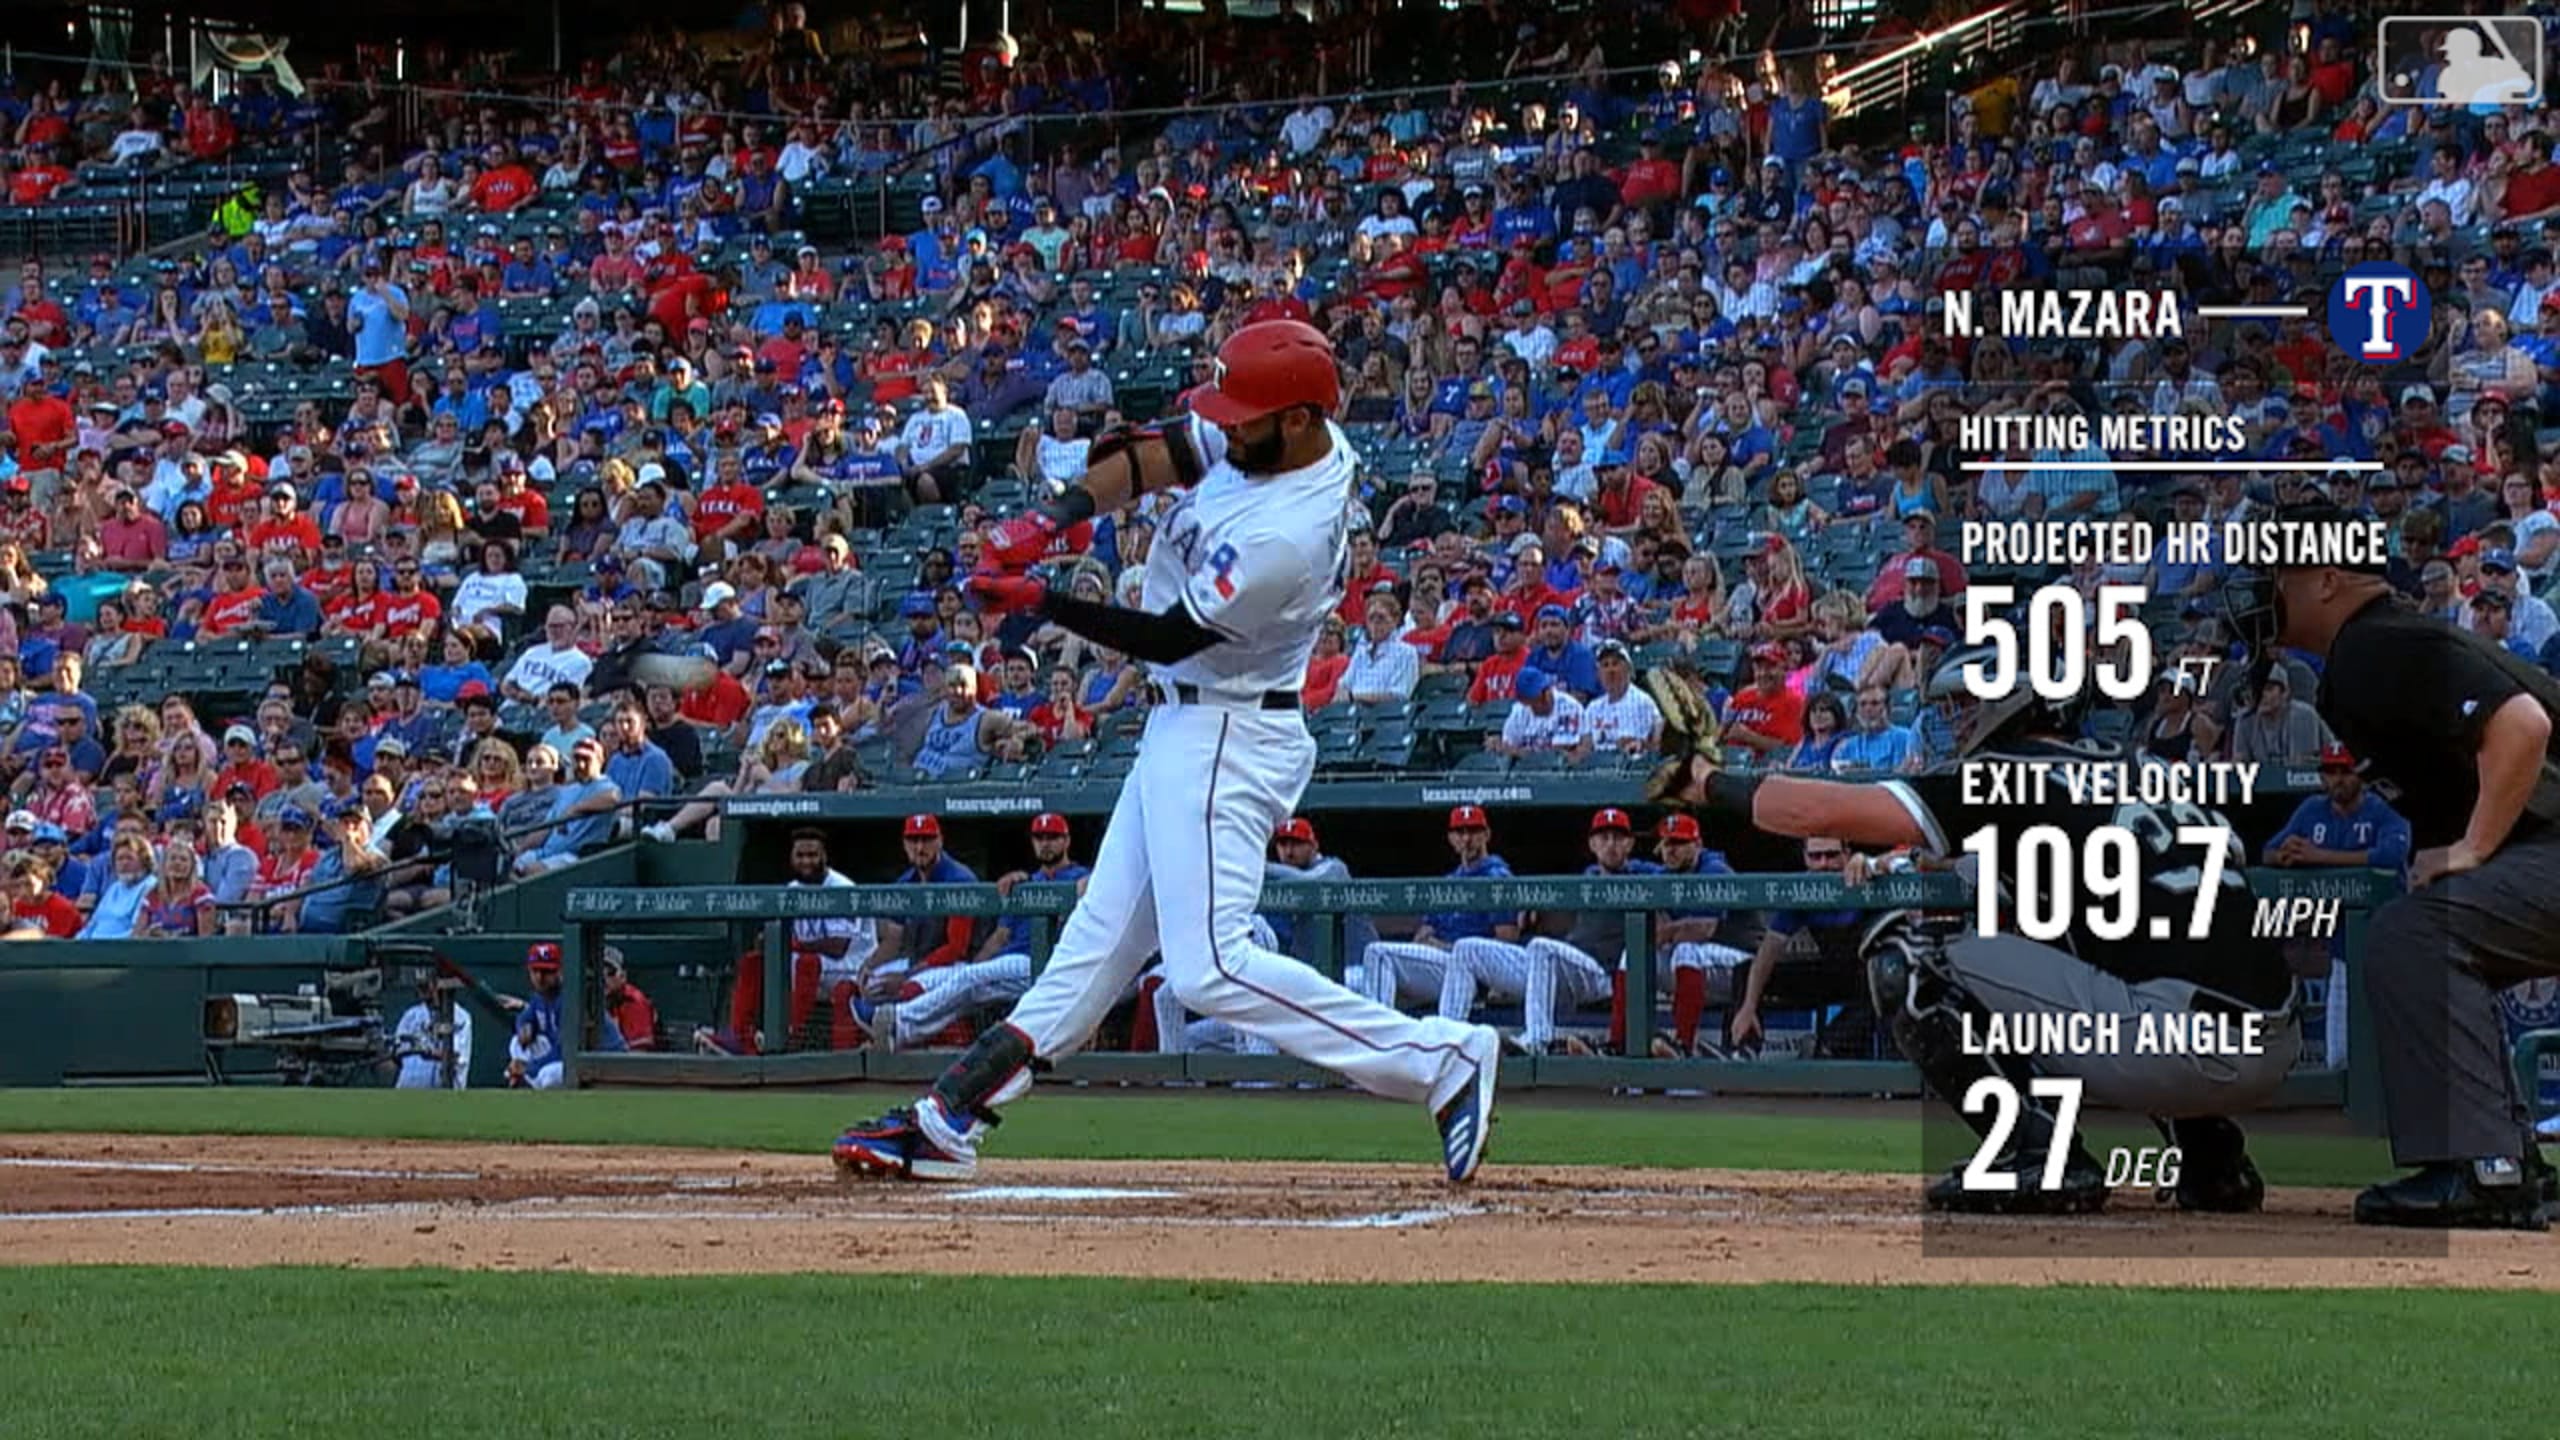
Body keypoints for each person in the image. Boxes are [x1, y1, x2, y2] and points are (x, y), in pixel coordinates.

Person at [834, 320, 1501, 1186]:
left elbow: (1169, 636)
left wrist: (1045, 599)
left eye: (1248, 416)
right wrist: (1056, 517)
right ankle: (949, 1117)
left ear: (1298, 419)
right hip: (1181, 727)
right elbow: (1158, 455)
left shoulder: (1287, 536)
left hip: (1229, 725)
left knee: (1210, 968)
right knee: (1093, 949)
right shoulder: (1284, 435)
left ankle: (1443, 1059)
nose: (1230, 425)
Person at [1651, 639, 2295, 1217]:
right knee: (2103, 947)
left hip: (2181, 1044)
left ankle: (2034, 1154)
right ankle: (2213, 1160)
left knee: (1907, 951)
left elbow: (1818, 809)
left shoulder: (2002, 775)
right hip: (2272, 1033)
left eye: (1965, 702)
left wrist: (1705, 780)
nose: (1952, 719)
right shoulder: (2141, 765)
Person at [2239, 506, 2560, 1227]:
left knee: (2413, 936)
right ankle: (2510, 1161)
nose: (2263, 592)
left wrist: (2474, 849)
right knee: (2425, 930)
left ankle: (2484, 1167)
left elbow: (2521, 727)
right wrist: (2454, 850)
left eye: (2276, 576)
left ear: (2325, 579)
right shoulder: (2371, 650)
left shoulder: (2377, 644)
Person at [2264, 742, 2413, 1070]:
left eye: (2345, 771)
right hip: (2343, 950)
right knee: (2339, 1059)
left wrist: (2319, 856)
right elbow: (2268, 851)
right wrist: (2285, 855)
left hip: (2392, 946)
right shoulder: (2311, 811)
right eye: (2330, 771)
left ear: (2360, 774)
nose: (2337, 779)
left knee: (2400, 1053)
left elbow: (2391, 856)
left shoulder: (2383, 808)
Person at [886, 813, 1091, 1049]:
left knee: (970, 980)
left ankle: (899, 1020)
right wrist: (975, 965)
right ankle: (905, 1033)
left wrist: (1082, 887)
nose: (1045, 843)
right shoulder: (1023, 882)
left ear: (1066, 841)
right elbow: (1000, 936)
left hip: (1042, 962)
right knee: (962, 980)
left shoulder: (1080, 875)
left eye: (1053, 837)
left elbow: (1091, 885)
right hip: (1011, 962)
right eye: (1040, 837)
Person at [392, 973, 473, 1088]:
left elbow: (455, 1056)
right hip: (407, 1091)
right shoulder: (411, 1015)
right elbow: (396, 1053)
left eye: (426, 985)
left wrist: (425, 1050)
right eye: (420, 986)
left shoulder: (461, 1017)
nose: (423, 990)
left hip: (440, 1095)